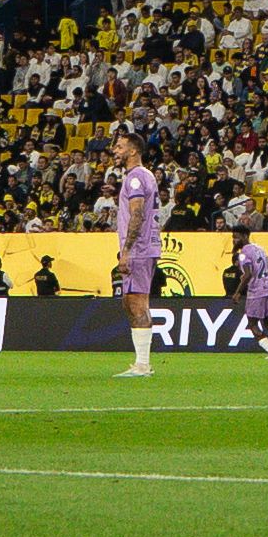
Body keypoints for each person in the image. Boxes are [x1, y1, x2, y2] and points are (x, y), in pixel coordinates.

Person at [111, 130, 163, 377]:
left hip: (139, 250)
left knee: (136, 303)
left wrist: (127, 250)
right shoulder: (145, 176)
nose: (115, 151)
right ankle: (141, 362)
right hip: (144, 248)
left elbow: (138, 213)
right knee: (130, 303)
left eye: (120, 147)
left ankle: (143, 364)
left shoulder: (135, 178)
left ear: (133, 150)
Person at [228, 227, 268, 358]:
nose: (234, 240)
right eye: (233, 237)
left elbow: (248, 274)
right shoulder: (260, 248)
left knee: (252, 323)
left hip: (257, 291)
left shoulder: (243, 254)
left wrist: (237, 292)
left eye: (237, 237)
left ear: (245, 236)